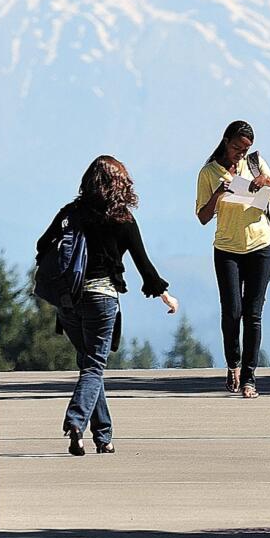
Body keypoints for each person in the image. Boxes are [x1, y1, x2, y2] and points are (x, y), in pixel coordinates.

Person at [38, 155, 176, 457]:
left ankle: (103, 437)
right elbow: (144, 265)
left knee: (89, 364)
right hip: (102, 299)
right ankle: (75, 420)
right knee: (94, 366)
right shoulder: (122, 218)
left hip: (69, 301)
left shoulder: (71, 213)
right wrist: (164, 294)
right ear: (120, 184)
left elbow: (42, 245)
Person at [195, 120, 270, 399]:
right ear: (225, 141)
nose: (240, 154)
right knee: (232, 311)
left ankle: (249, 378)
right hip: (227, 249)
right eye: (236, 147)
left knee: (253, 313)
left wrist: (265, 181)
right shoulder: (209, 172)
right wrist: (219, 193)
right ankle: (233, 363)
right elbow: (202, 217)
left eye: (245, 149)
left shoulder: (256, 163)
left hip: (261, 245)